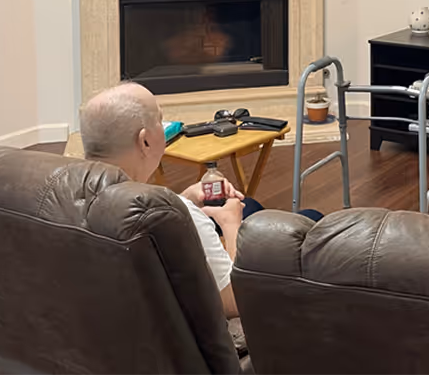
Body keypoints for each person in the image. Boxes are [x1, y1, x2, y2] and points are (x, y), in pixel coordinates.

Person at [79, 82, 320, 319]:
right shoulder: (180, 213)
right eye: (159, 120)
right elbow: (234, 302)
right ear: (145, 141)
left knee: (251, 206)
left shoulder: (65, 198)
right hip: (207, 343)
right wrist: (230, 224)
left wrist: (185, 198)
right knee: (309, 220)